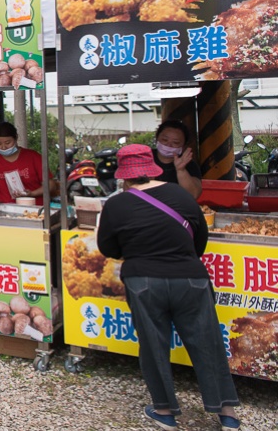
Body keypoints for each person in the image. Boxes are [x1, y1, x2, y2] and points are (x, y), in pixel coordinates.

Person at [96, 144, 240, 431]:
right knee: (208, 343)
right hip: (190, 278)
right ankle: (227, 414)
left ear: (124, 177)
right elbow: (198, 242)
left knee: (153, 345)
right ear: (152, 168)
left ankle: (164, 411)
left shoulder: (116, 204)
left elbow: (108, 247)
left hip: (143, 282)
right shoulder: (181, 196)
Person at [0, 122, 56, 205]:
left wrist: (32, 193)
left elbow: (50, 185)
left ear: (16, 138)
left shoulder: (33, 157)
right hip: (5, 209)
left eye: (8, 142)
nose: (3, 147)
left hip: (35, 209)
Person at [150, 120, 202, 200]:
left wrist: (181, 170)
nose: (169, 145)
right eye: (165, 140)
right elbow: (130, 188)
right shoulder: (145, 158)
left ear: (183, 146)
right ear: (157, 138)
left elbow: (193, 195)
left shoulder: (189, 164)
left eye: (176, 142)